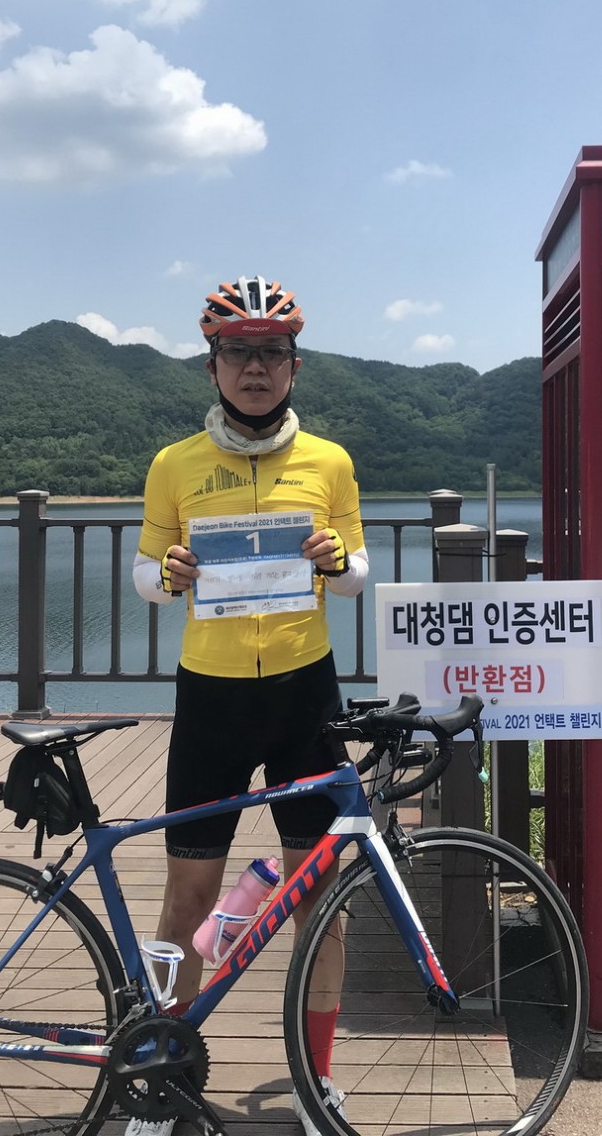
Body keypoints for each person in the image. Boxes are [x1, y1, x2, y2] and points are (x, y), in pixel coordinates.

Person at [131, 276, 368, 1136]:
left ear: (295, 365)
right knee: (188, 894)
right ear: (213, 366)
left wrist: (336, 557)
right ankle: (161, 1073)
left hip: (306, 694)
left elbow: (356, 573)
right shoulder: (175, 464)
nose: (256, 368)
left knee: (318, 896)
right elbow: (145, 571)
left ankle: (317, 1077)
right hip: (213, 699)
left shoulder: (330, 461)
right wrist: (168, 575)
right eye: (239, 352)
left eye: (272, 352)